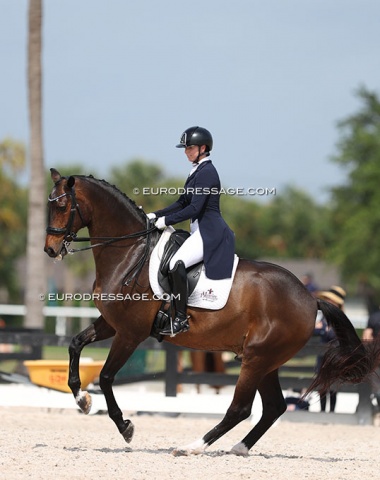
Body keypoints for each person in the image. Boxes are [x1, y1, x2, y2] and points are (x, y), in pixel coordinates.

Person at [147, 126, 235, 336]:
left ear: (203, 148)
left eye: (190, 148)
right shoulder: (196, 171)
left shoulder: (208, 173)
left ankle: (180, 318)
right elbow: (182, 202)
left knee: (176, 264)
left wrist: (165, 221)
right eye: (185, 148)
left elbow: (194, 208)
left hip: (210, 233)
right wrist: (155, 215)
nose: (186, 152)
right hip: (199, 231)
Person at [314, 285, 346, 412]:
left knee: (333, 387)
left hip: (335, 358)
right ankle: (322, 411)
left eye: (330, 299)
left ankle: (331, 411)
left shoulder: (342, 319)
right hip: (322, 358)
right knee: (322, 386)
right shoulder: (323, 317)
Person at [362, 307, 380, 409]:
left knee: (375, 384)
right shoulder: (374, 317)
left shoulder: (374, 317)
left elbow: (366, 338)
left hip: (375, 357)